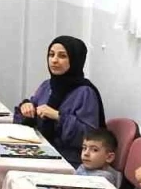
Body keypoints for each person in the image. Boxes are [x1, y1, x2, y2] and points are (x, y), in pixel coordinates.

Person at [14, 36, 104, 168]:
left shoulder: (85, 92)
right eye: (51, 55)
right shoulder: (47, 85)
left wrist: (57, 116)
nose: (54, 60)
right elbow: (30, 116)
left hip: (69, 160)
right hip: (41, 149)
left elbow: (90, 137)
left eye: (62, 56)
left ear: (75, 60)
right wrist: (26, 108)